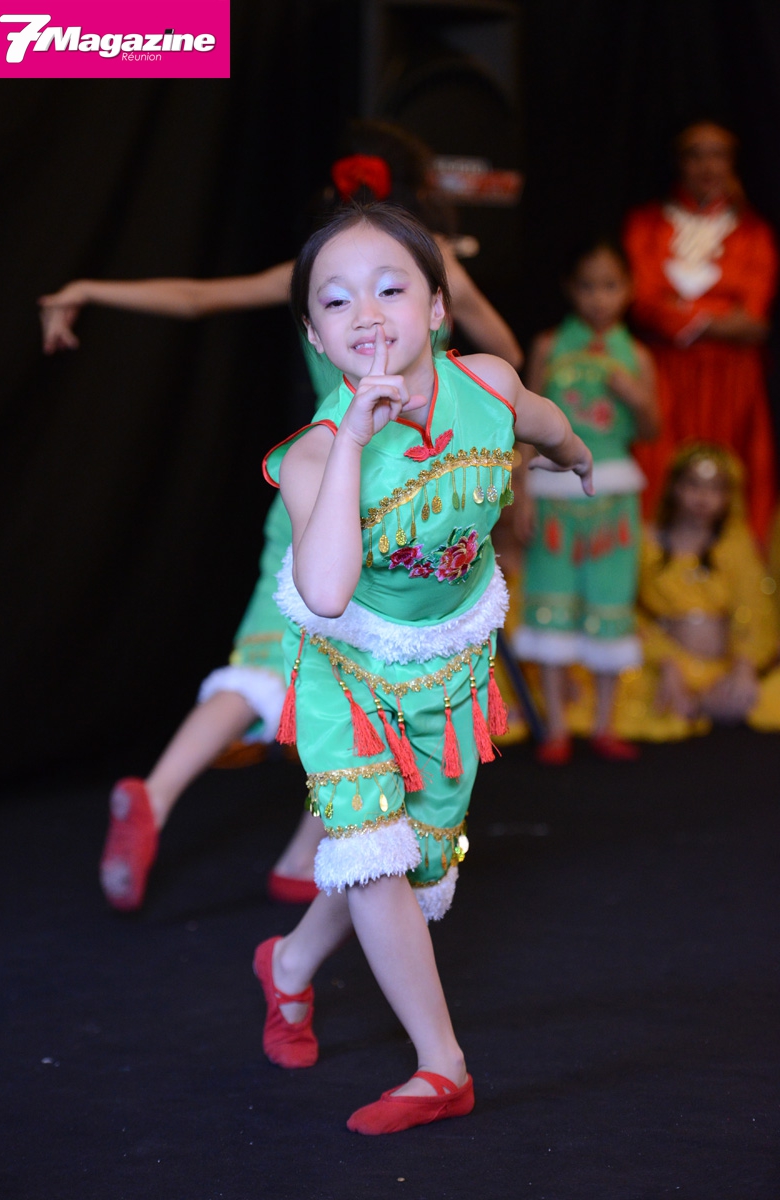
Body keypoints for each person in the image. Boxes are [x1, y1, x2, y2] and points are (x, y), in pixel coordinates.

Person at [38, 120, 526, 913]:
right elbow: (505, 356)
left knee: (275, 659)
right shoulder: (428, 269)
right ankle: (310, 853)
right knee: (376, 679)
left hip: (317, 493)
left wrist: (91, 288)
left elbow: (196, 297)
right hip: (411, 500)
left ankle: (158, 793)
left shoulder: (316, 275)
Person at [255, 201, 592, 1134]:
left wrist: (572, 456)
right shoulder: (316, 455)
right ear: (316, 337)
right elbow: (327, 591)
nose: (366, 314)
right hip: (351, 673)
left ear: (438, 308)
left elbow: (544, 422)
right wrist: (356, 441)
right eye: (336, 301)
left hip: (451, 661)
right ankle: (443, 1067)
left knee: (413, 861)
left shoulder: (486, 383)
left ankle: (288, 964)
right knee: (371, 848)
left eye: (390, 289)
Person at [512, 238, 659, 763]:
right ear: (571, 290)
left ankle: (604, 724)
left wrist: (636, 398)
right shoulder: (549, 346)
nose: (600, 298)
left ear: (630, 290)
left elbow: (652, 429)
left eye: (611, 286)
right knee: (550, 603)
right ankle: (556, 726)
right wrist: (522, 494)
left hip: (614, 497)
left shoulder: (637, 355)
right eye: (589, 286)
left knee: (611, 602)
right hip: (554, 494)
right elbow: (524, 425)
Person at [623, 121, 778, 541]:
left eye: (718, 154)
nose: (707, 166)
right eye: (696, 154)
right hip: (666, 373)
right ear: (679, 161)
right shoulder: (646, 224)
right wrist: (719, 313)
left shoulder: (754, 232)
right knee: (662, 468)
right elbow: (645, 302)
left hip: (732, 378)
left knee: (730, 474)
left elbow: (754, 318)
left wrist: (685, 311)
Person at [610, 444, 780, 740]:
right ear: (674, 487)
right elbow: (623, 610)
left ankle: (709, 704)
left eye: (715, 489)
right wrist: (665, 662)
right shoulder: (645, 543)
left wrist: (744, 667)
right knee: (623, 695)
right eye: (693, 485)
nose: (703, 497)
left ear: (728, 497)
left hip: (724, 668)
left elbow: (755, 611)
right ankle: (696, 706)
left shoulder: (736, 546)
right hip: (663, 667)